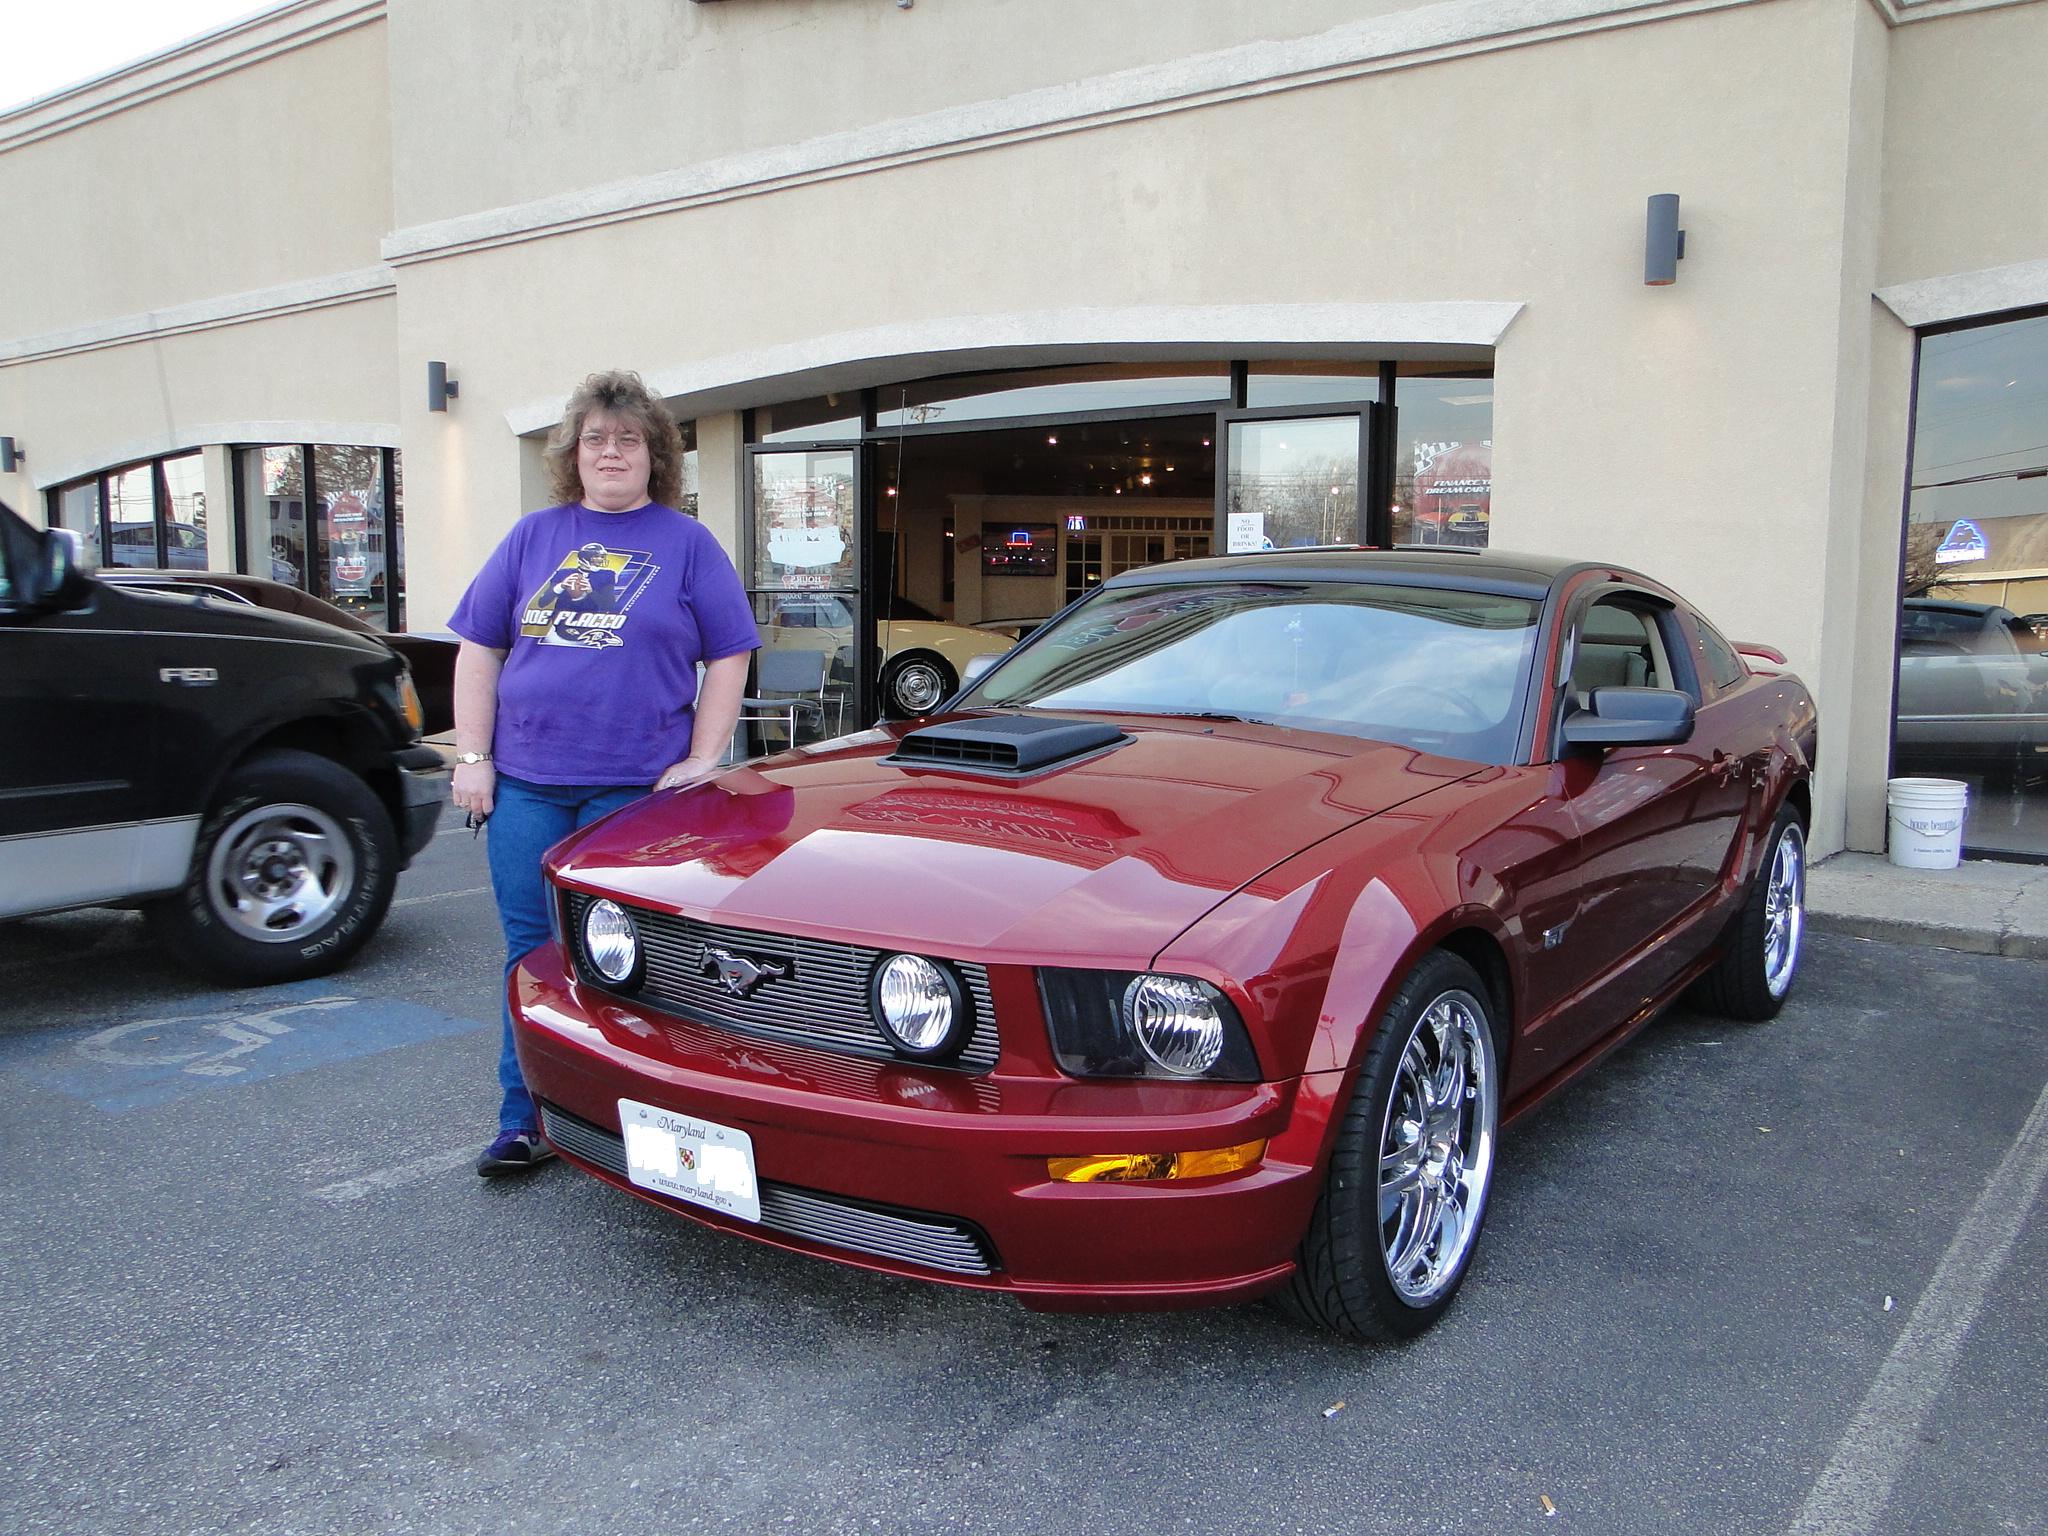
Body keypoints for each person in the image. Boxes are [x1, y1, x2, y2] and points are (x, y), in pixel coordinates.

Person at [448, 370, 758, 1175]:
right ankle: (525, 1119)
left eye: (629, 440)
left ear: (656, 456)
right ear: (573, 455)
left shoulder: (687, 543)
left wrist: (703, 757)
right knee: (530, 953)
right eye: (596, 439)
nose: (611, 452)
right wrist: (473, 759)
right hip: (525, 785)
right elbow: (479, 648)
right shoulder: (532, 539)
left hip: (634, 794)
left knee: (632, 965)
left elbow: (731, 651)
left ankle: (639, 1127)